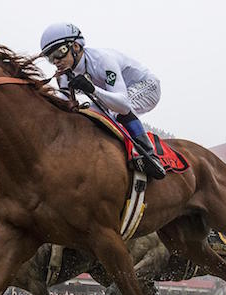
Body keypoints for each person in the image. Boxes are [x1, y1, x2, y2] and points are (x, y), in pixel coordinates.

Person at [40, 22, 166, 180]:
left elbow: (123, 104)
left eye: (59, 52)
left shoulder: (103, 61)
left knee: (114, 111)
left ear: (76, 47)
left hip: (147, 86)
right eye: (50, 58)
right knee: (88, 112)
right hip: (115, 93)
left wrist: (92, 89)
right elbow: (65, 105)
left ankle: (150, 156)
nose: (56, 61)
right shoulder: (64, 75)